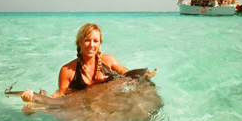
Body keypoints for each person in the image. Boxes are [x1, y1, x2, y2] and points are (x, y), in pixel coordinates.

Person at [21, 23, 155, 102]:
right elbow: (60, 94)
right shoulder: (67, 70)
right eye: (87, 40)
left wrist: (143, 74)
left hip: (108, 102)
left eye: (95, 41)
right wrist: (36, 99)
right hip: (82, 104)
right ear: (78, 43)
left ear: (100, 44)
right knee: (29, 111)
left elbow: (127, 74)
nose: (91, 45)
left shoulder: (108, 60)